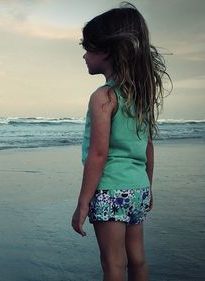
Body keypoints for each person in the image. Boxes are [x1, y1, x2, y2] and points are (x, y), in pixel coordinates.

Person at [71, 2, 171, 281]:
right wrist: (147, 186)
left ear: (105, 50)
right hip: (137, 189)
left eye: (87, 47)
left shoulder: (104, 96)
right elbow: (147, 146)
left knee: (114, 264)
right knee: (137, 260)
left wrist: (82, 203)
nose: (84, 55)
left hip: (111, 191)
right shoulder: (140, 96)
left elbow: (99, 154)